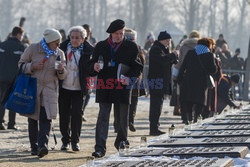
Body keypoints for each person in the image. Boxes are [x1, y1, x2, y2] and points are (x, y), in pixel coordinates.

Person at [89, 19, 143, 158]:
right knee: (103, 117)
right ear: (111, 34)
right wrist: (94, 67)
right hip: (105, 85)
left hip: (123, 85)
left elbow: (138, 67)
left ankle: (122, 143)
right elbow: (91, 64)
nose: (119, 36)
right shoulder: (101, 46)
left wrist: (130, 78)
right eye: (116, 33)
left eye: (121, 33)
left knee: (123, 118)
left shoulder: (131, 46)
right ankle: (100, 147)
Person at [18, 28, 67, 158]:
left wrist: (61, 70)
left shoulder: (60, 53)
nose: (58, 45)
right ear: (50, 41)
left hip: (50, 90)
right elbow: (21, 65)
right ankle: (34, 147)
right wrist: (32, 67)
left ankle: (42, 146)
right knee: (33, 119)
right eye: (56, 42)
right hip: (33, 88)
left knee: (47, 119)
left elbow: (62, 76)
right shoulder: (33, 48)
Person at [59, 26, 93, 151]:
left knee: (77, 114)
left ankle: (75, 141)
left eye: (77, 38)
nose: (74, 40)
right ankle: (65, 140)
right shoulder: (62, 49)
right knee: (64, 114)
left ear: (83, 39)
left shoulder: (89, 51)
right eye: (72, 37)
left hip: (80, 88)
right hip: (64, 86)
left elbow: (91, 70)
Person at [177, 38, 217, 123]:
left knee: (189, 99)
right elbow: (213, 70)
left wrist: (179, 78)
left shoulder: (191, 52)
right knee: (200, 100)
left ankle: (189, 117)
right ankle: (196, 116)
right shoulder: (209, 55)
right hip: (201, 82)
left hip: (188, 80)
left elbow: (183, 66)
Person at [113, 28, 146, 132]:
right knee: (121, 103)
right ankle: (121, 123)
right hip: (123, 78)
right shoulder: (121, 47)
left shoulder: (137, 48)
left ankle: (128, 121)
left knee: (132, 101)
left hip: (134, 78)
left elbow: (141, 64)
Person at [148, 31, 178, 136]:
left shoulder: (162, 49)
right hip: (156, 80)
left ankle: (155, 126)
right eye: (168, 41)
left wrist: (173, 56)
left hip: (159, 80)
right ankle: (154, 128)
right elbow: (161, 61)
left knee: (158, 104)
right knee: (156, 105)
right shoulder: (156, 49)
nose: (169, 43)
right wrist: (172, 55)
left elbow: (169, 61)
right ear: (163, 40)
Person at [173, 30, 200, 123]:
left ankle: (184, 116)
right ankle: (192, 115)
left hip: (184, 73)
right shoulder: (200, 47)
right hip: (197, 75)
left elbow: (180, 61)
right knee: (195, 96)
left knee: (183, 97)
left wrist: (176, 74)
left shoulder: (183, 46)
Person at [0, 26, 25, 130]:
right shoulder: (21, 47)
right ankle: (11, 124)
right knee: (12, 101)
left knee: (1, 101)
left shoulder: (2, 45)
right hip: (14, 78)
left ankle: (0, 123)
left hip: (1, 78)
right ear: (19, 34)